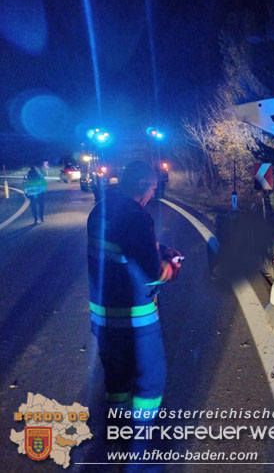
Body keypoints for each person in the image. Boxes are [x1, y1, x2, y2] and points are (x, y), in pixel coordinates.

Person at [87, 160, 182, 421]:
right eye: (152, 188)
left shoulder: (100, 211)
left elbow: (124, 247)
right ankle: (142, 432)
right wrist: (172, 268)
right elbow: (152, 274)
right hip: (135, 319)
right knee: (150, 378)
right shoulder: (137, 217)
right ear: (141, 186)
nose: (153, 195)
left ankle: (117, 423)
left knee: (116, 377)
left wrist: (159, 249)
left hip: (102, 316)